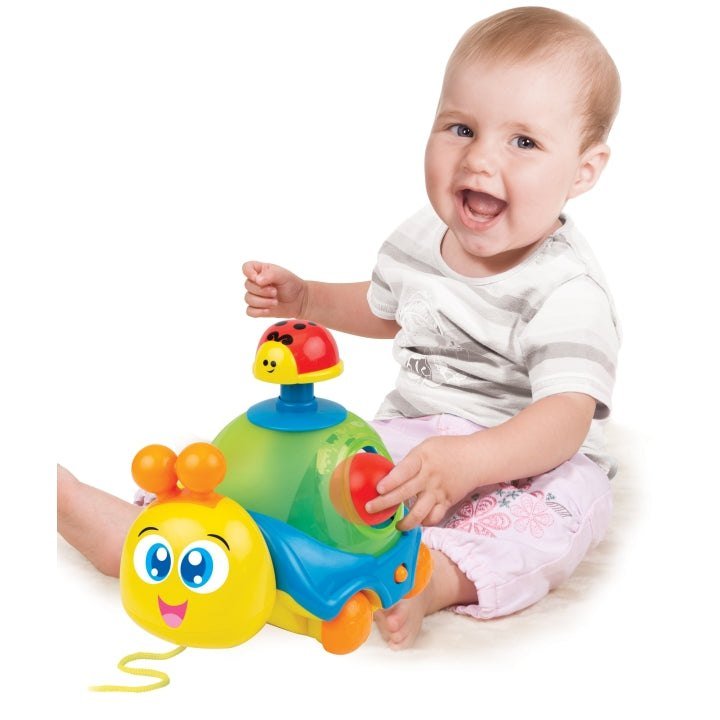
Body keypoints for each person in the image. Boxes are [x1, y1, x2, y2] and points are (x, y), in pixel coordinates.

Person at [58, 6, 621, 650]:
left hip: (533, 463)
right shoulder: (422, 237)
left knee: (548, 526)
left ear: (584, 169)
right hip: (414, 435)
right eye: (461, 128)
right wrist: (308, 298)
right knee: (317, 483)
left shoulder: (567, 291)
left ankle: (432, 580)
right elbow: (388, 310)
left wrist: (475, 461)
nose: (479, 159)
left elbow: (566, 416)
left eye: (523, 143)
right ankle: (159, 529)